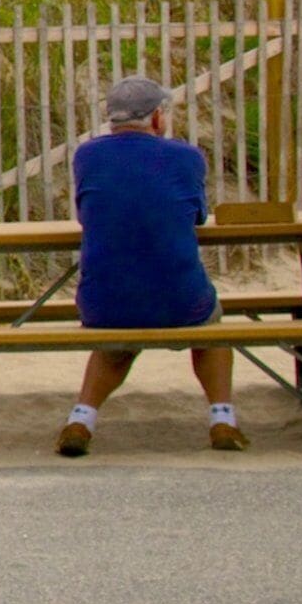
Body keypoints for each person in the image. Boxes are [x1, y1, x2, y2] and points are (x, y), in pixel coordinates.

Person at [61, 74, 241, 456]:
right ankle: (222, 419)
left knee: (120, 333)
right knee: (212, 332)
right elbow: (197, 216)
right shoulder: (186, 157)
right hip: (180, 300)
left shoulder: (87, 156)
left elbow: (85, 214)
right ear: (157, 117)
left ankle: (82, 418)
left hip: (104, 301)